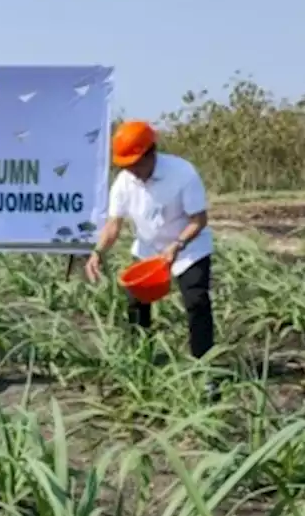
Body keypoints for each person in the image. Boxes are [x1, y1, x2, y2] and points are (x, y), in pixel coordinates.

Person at [85, 119, 216, 361]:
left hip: (188, 248)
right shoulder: (125, 181)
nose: (131, 170)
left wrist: (178, 244)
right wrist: (97, 252)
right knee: (136, 303)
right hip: (148, 249)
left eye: (134, 164)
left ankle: (204, 365)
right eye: (125, 165)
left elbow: (199, 219)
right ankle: (140, 359)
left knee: (196, 301)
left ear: (150, 154)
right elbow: (114, 224)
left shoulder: (182, 173)